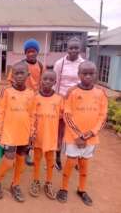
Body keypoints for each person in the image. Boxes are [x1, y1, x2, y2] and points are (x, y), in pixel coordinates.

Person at [56, 61, 108, 206]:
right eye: (84, 74)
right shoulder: (72, 92)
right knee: (71, 162)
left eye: (91, 74)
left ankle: (82, 189)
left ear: (96, 75)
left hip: (90, 138)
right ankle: (64, 188)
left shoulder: (101, 93)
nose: (88, 77)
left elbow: (103, 117)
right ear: (78, 75)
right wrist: (78, 136)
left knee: (84, 164)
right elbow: (67, 115)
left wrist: (89, 134)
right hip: (73, 138)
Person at [0, 61, 34, 203]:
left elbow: (32, 115)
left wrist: (32, 134)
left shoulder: (31, 94)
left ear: (28, 75)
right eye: (16, 73)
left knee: (21, 158)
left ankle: (15, 184)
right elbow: (0, 112)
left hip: (24, 133)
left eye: (22, 73)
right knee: (9, 160)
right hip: (9, 132)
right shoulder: (7, 92)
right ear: (12, 75)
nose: (19, 76)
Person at [7, 38, 44, 166]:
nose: (31, 54)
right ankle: (13, 149)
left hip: (34, 100)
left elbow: (42, 81)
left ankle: (26, 152)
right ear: (25, 53)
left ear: (37, 52)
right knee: (18, 123)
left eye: (33, 51)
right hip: (20, 99)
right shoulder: (20, 65)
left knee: (31, 126)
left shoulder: (40, 65)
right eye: (28, 51)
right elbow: (11, 81)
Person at [29, 70, 63, 200]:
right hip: (38, 136)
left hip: (51, 137)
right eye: (45, 79)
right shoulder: (35, 98)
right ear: (41, 80)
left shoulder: (59, 99)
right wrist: (31, 133)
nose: (47, 82)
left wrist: (60, 138)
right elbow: (31, 117)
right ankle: (36, 181)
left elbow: (62, 120)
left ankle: (48, 183)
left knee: (50, 161)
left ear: (55, 82)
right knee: (37, 160)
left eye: (51, 80)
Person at [53, 37, 85, 170]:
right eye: (71, 48)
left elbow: (84, 83)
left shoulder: (83, 64)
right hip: (61, 101)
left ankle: (76, 158)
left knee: (76, 130)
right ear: (67, 49)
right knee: (59, 131)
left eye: (76, 48)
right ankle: (58, 158)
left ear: (80, 49)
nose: (73, 50)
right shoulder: (60, 63)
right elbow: (55, 82)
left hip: (77, 103)